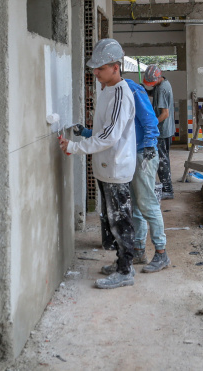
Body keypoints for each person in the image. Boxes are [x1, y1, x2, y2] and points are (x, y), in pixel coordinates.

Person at [60, 39, 137, 289]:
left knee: (120, 221)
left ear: (116, 67)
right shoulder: (107, 90)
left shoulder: (121, 95)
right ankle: (120, 263)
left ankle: (126, 271)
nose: (95, 72)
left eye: (100, 68)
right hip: (106, 168)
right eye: (94, 68)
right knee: (112, 219)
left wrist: (75, 147)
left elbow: (109, 136)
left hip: (116, 169)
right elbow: (102, 131)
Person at [75, 75, 170, 273]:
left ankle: (162, 254)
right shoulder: (113, 92)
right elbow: (110, 131)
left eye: (102, 75)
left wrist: (150, 145)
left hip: (143, 153)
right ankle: (138, 251)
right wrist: (86, 133)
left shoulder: (131, 90)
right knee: (135, 206)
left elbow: (150, 119)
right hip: (131, 154)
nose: (100, 83)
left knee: (147, 204)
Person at [143, 65, 175, 200]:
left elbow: (165, 114)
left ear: (157, 78)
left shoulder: (162, 89)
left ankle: (168, 190)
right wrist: (145, 90)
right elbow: (154, 92)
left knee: (162, 160)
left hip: (162, 131)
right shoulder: (162, 83)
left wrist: (152, 125)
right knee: (164, 158)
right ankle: (166, 187)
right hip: (167, 129)